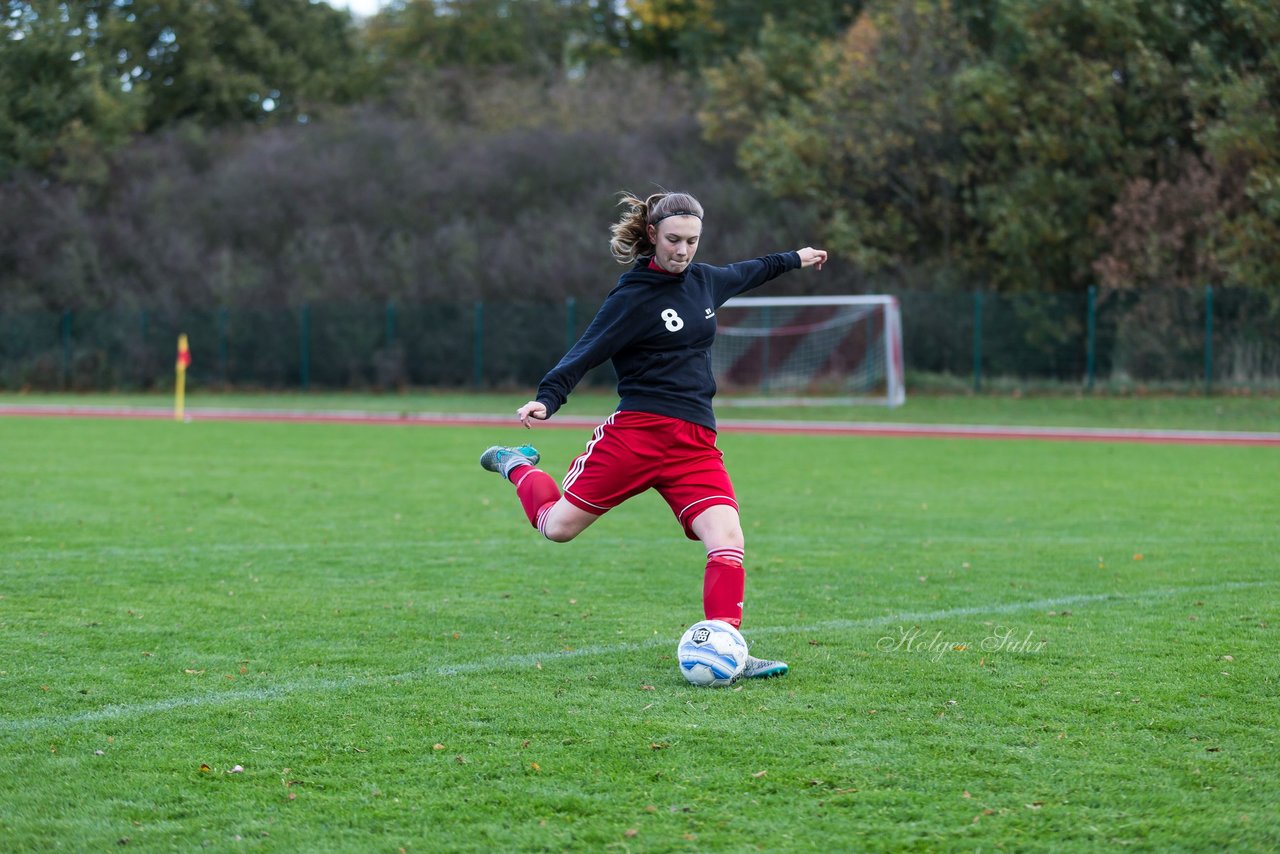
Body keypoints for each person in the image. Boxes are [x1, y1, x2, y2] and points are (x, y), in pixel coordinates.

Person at [480, 190, 828, 680]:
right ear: (652, 235)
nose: (683, 251)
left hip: (694, 444)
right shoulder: (632, 296)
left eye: (692, 241)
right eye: (673, 240)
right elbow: (587, 351)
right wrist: (548, 397)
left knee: (727, 537)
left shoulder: (704, 282)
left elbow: (754, 269)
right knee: (556, 528)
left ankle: (729, 647)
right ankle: (517, 464)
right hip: (637, 435)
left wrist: (796, 258)